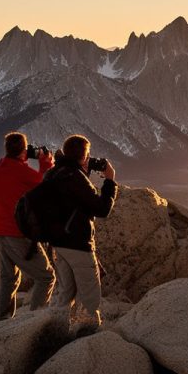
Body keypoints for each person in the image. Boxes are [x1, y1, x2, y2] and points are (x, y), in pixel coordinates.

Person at [45, 135, 118, 326]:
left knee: (65, 292)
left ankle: (54, 331)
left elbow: (70, 200)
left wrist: (82, 173)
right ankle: (87, 335)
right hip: (77, 244)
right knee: (90, 295)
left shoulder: (54, 173)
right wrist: (110, 181)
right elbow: (102, 209)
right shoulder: (75, 178)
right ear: (85, 157)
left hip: (57, 244)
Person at [0, 132, 57, 322]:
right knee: (46, 277)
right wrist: (45, 163)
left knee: (9, 278)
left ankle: (1, 319)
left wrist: (23, 157)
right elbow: (46, 186)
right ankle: (34, 321)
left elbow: (16, 183)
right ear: (23, 151)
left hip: (1, 230)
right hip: (17, 233)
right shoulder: (22, 172)